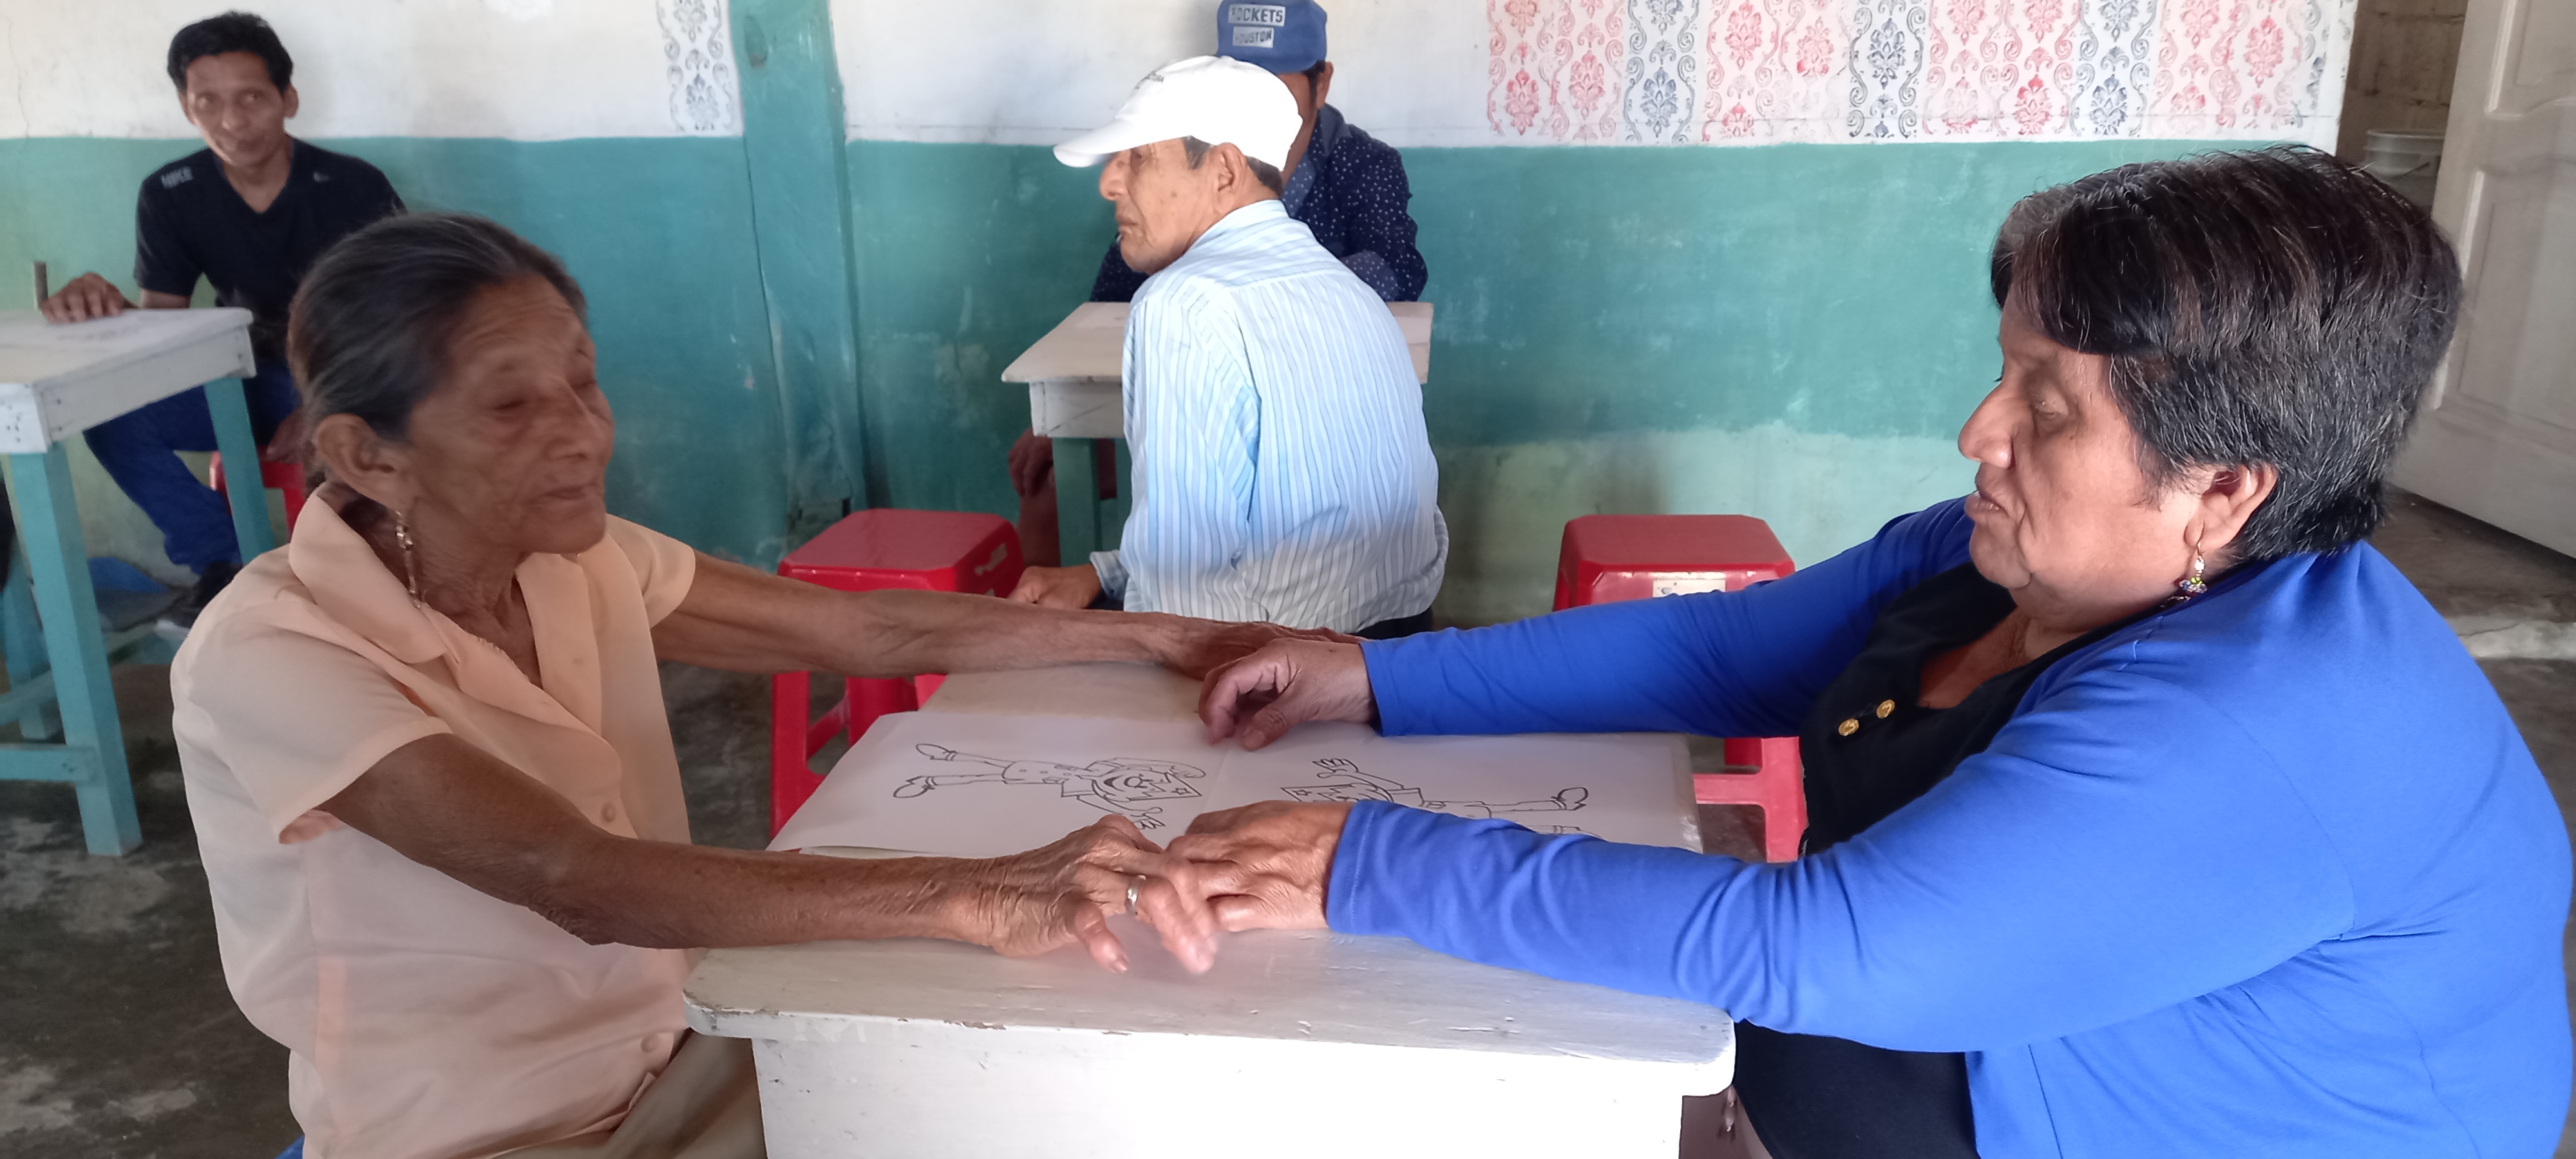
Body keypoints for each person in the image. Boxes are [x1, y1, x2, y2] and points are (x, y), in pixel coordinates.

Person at [1150, 150, 2572, 1158]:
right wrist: (1378, 679)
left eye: (2047, 408)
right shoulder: (2008, 556)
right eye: (2004, 369)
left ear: (2222, 492)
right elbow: (1722, 651)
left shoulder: (2260, 721)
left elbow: (1833, 950)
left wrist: (1366, 862)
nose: (1977, 432)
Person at [172, 212, 1287, 1159]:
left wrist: (1160, 636)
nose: (583, 435)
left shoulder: (574, 557)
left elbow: (865, 626)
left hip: (680, 1052)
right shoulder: (272, 650)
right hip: (481, 1132)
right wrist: (976, 892)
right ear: (367, 456)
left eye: (584, 382)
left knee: (1037, 1073)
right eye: (511, 409)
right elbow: (570, 874)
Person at [1006, 56, 1446, 639]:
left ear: (1224, 170)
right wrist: (1104, 575)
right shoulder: (1348, 288)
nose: (1110, 183)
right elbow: (1292, 539)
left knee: (1020, 650)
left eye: (1139, 157)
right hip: (1395, 648)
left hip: (1273, 665)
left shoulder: (1184, 304)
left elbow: (1187, 610)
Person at [39, 12, 404, 633]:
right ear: (187, 108)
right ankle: (228, 564)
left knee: (384, 429)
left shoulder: (351, 186)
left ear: (288, 100)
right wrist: (104, 305)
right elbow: (165, 328)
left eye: (252, 98)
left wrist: (322, 403)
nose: (232, 122)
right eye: (208, 101)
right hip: (233, 376)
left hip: (341, 378)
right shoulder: (171, 193)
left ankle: (356, 593)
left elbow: (398, 323)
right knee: (112, 416)